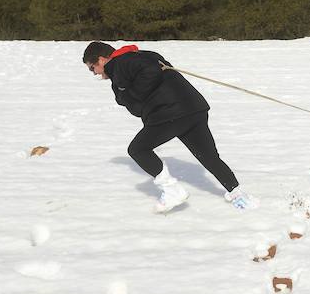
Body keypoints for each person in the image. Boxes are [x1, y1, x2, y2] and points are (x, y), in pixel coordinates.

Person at [83, 41, 257, 213]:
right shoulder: (142, 55)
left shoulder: (119, 64)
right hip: (193, 108)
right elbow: (151, 80)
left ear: (102, 59)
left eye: (92, 68)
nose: (94, 73)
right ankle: (238, 194)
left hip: (171, 114)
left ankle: (173, 191)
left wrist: (132, 95)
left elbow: (150, 73)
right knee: (208, 156)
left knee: (138, 150)